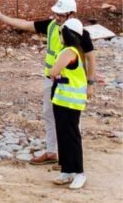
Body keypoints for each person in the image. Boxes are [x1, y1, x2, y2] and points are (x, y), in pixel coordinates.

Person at [0, 0, 96, 166]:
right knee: (50, 114)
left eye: (60, 14)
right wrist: (2, 17)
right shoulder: (51, 26)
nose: (57, 17)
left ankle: (71, 158)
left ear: (71, 14)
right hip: (51, 80)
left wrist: (90, 83)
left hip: (70, 84)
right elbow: (26, 24)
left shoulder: (78, 32)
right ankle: (52, 152)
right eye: (56, 13)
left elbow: (90, 58)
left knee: (71, 121)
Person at [49, 19, 88, 190]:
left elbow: (53, 71)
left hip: (70, 102)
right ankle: (67, 170)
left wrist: (55, 74)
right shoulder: (76, 51)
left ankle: (79, 173)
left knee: (71, 136)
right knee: (63, 134)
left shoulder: (69, 52)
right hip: (63, 100)